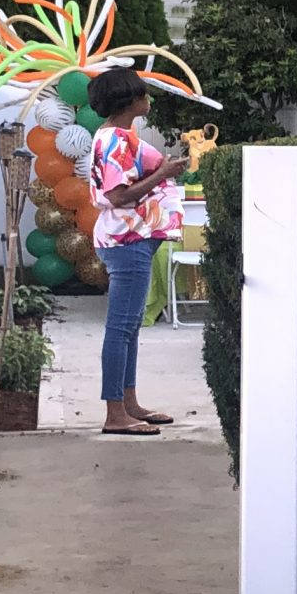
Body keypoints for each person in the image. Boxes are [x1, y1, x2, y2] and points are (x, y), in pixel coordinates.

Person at [85, 66, 188, 436]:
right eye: (143, 93)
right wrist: (164, 175)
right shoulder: (113, 141)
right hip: (127, 243)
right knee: (121, 328)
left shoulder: (117, 136)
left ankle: (128, 403)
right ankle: (115, 414)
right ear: (129, 100)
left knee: (129, 330)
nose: (148, 99)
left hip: (132, 242)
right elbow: (117, 197)